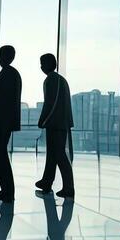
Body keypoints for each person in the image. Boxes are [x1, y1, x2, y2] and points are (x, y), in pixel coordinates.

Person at [33, 53, 75, 198]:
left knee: (59, 155)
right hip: (61, 122)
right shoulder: (61, 80)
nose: (41, 66)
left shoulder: (51, 80)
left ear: (49, 64)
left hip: (55, 123)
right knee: (53, 154)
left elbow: (50, 103)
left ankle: (68, 187)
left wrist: (43, 119)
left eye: (42, 63)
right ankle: (47, 181)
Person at [0, 44, 22, 202]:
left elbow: (4, 102)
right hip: (3, 122)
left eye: (2, 54)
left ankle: (7, 191)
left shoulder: (8, 74)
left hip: (2, 123)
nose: (0, 58)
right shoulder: (10, 73)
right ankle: (7, 190)